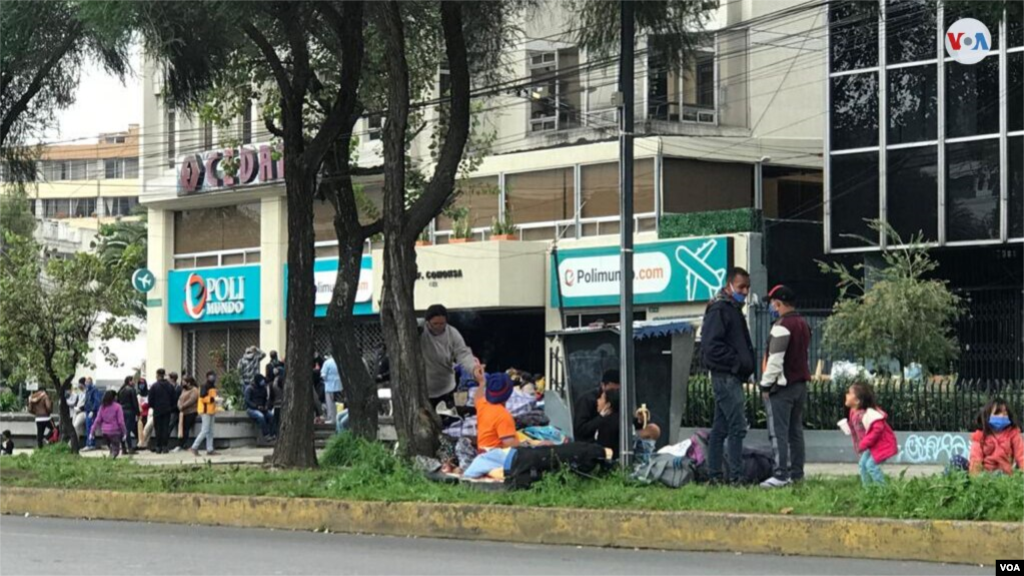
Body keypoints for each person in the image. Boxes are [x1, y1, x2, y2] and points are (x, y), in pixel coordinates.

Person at [701, 267, 755, 485]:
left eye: (747, 288)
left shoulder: (729, 308)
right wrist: (736, 362)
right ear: (730, 284)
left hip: (729, 375)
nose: (745, 292)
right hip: (726, 376)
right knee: (736, 427)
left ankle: (714, 475)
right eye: (742, 287)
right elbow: (711, 346)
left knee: (721, 427)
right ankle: (735, 476)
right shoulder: (721, 310)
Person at [758, 285, 812, 488]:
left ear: (778, 303)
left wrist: (765, 385)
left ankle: (780, 475)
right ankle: (797, 474)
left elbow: (775, 360)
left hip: (782, 387)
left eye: (773, 303)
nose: (772, 306)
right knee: (795, 432)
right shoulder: (803, 324)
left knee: (778, 432)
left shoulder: (782, 326)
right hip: (800, 385)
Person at [420, 304, 477, 409]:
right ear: (427, 322)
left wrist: (473, 369)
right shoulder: (419, 333)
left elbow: (463, 354)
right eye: (435, 324)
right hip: (424, 392)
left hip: (447, 388)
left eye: (442, 323)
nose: (438, 327)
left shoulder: (452, 334)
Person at [840, 382, 897, 486]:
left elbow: (877, 429)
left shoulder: (869, 414)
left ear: (857, 401)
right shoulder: (853, 411)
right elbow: (857, 427)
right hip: (871, 446)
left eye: (849, 393)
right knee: (863, 464)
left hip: (882, 444)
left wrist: (863, 444)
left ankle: (883, 490)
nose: (846, 395)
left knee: (871, 465)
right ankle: (868, 489)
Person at [969, 397, 1024, 476]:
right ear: (987, 416)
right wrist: (976, 480)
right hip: (985, 474)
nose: (1001, 416)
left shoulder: (1013, 433)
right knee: (956, 461)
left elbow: (1021, 455)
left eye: (1005, 413)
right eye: (997, 413)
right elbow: (975, 458)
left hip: (1004, 473)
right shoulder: (980, 435)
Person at [572, 369, 621, 443]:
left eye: (618, 390)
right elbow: (580, 429)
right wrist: (601, 417)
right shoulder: (587, 400)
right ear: (603, 385)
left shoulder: (619, 400)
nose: (614, 393)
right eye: (611, 390)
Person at [475, 371, 520, 451]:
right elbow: (509, 444)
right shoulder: (503, 415)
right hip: (495, 458)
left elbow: (477, 398)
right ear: (509, 394)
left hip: (482, 454)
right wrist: (529, 445)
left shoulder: (483, 405)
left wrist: (481, 382)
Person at [90, 390, 127, 459]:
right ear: (114, 397)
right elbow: (121, 421)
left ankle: (110, 457)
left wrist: (92, 432)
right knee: (116, 449)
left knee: (111, 447)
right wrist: (124, 432)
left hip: (105, 432)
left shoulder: (102, 407)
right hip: (115, 431)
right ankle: (111, 458)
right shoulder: (118, 407)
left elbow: (97, 420)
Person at [147, 369, 176, 454]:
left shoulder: (154, 386)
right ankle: (165, 446)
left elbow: (150, 400)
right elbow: (174, 399)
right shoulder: (170, 386)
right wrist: (170, 407)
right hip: (167, 410)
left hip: (157, 410)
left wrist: (154, 406)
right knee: (165, 428)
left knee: (158, 428)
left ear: (158, 375)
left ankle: (158, 446)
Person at [191, 371, 219, 456]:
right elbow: (203, 398)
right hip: (205, 410)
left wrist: (216, 400)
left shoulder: (213, 387)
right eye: (211, 376)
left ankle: (209, 449)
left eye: (214, 376)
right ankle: (194, 447)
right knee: (205, 430)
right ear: (207, 377)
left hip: (211, 410)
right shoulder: (204, 386)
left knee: (210, 431)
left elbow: (213, 398)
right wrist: (214, 400)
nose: (213, 378)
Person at [244, 374, 275, 442]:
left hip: (262, 407)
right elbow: (248, 401)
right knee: (260, 417)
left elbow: (266, 399)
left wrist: (266, 406)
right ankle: (266, 435)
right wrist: (256, 406)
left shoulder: (263, 388)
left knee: (271, 416)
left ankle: (272, 434)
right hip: (252, 409)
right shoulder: (250, 388)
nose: (263, 382)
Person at [117, 376, 141, 454]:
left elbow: (118, 401)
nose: (134, 382)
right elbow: (135, 403)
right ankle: (130, 448)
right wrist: (138, 413)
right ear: (129, 381)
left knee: (122, 430)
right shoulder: (131, 390)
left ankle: (123, 448)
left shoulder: (121, 390)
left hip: (121, 411)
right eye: (133, 380)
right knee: (128, 430)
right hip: (130, 411)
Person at [176, 376, 200, 452]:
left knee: (186, 428)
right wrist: (179, 405)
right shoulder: (184, 390)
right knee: (181, 428)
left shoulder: (195, 390)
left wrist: (183, 406)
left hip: (191, 412)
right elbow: (180, 399)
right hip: (183, 412)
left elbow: (192, 400)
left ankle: (184, 444)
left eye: (184, 381)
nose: (182, 383)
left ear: (189, 383)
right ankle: (180, 444)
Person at [82, 377, 103, 451]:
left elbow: (97, 401)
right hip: (88, 411)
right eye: (86, 382)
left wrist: (93, 410)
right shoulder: (88, 390)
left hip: (91, 412)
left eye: (88, 382)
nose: (86, 383)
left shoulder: (94, 390)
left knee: (90, 428)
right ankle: (90, 443)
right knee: (89, 428)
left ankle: (90, 443)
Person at [320, 355, 342, 425]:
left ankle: (331, 419)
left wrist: (325, 380)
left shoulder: (327, 363)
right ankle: (339, 418)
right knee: (339, 404)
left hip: (329, 387)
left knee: (330, 404)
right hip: (339, 386)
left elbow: (323, 375)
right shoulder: (340, 362)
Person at [168, 372, 181, 442]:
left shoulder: (178, 388)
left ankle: (165, 442)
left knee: (169, 426)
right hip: (170, 409)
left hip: (174, 410)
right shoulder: (171, 387)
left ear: (172, 379)